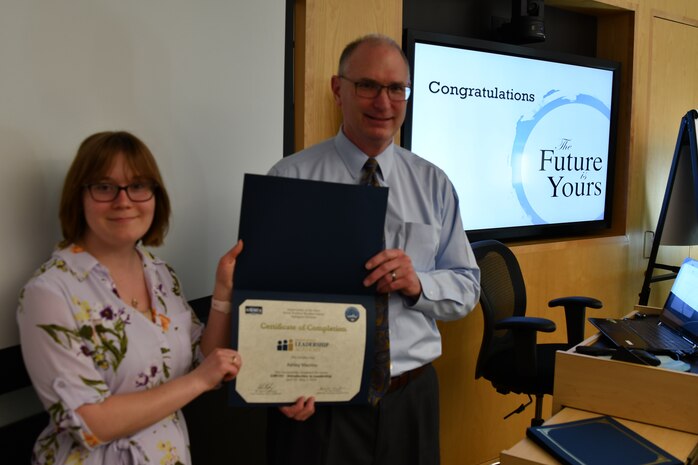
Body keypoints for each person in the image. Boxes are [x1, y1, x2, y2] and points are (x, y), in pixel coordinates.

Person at [265, 34, 481, 465]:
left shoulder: (434, 184)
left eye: (396, 88)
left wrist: (418, 283)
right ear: (337, 88)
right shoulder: (290, 179)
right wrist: (276, 378)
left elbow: (467, 287)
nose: (383, 102)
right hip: (319, 401)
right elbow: (265, 297)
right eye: (367, 85)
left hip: (410, 396)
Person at [17, 131, 243, 464]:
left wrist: (223, 293)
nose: (123, 201)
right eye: (104, 187)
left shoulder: (161, 273)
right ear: (79, 197)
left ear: (155, 196)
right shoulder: (49, 293)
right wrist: (198, 381)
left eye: (138, 186)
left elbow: (203, 359)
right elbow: (89, 422)